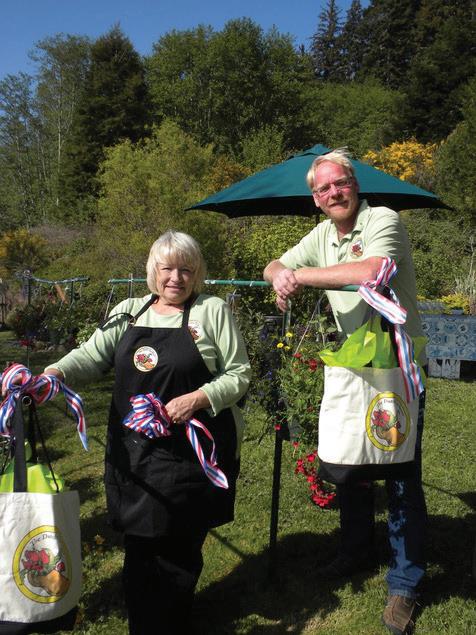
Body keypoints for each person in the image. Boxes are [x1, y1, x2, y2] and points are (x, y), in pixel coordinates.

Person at [44, 230, 251, 635]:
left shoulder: (211, 311)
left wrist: (199, 398)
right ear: (153, 270)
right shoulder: (129, 311)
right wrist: (53, 373)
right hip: (136, 454)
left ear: (197, 273)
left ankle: (170, 620)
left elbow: (239, 373)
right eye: (167, 268)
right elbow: (91, 354)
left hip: (189, 456)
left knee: (178, 550)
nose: (176, 278)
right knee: (139, 548)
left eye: (186, 270)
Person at [263, 148, 427, 635]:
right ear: (316, 199)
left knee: (400, 475)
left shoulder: (383, 219)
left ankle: (405, 583)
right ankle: (356, 552)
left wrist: (299, 277)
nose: (334, 193)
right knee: (352, 469)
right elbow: (276, 263)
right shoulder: (322, 235)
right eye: (324, 189)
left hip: (395, 368)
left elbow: (372, 271)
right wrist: (279, 275)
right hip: (355, 368)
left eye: (340, 183)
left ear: (354, 184)